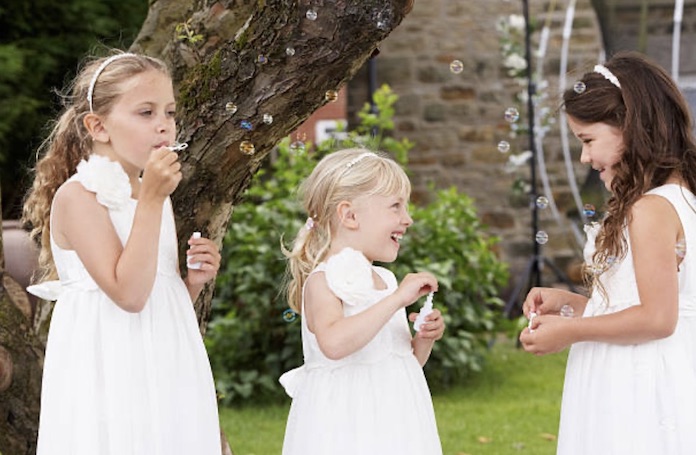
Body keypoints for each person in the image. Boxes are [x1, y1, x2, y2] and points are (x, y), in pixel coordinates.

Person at [22, 51, 222, 454]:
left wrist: (190, 284)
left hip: (164, 360)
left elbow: (152, 296)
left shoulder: (152, 196)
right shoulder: (79, 197)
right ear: (98, 126)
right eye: (145, 113)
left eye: (169, 112)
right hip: (108, 365)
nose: (163, 125)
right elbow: (127, 294)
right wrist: (150, 200)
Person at [519, 51, 696, 454]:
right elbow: (642, 304)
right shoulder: (679, 196)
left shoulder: (651, 209)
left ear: (630, 127)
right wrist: (571, 306)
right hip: (652, 365)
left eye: (587, 141)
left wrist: (569, 333)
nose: (584, 158)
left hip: (640, 379)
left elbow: (657, 318)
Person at [279, 148, 445, 455]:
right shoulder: (323, 280)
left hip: (394, 418)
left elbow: (402, 362)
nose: (407, 219)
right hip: (346, 424)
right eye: (395, 207)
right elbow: (334, 343)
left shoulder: (386, 280)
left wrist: (423, 338)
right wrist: (396, 301)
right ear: (350, 215)